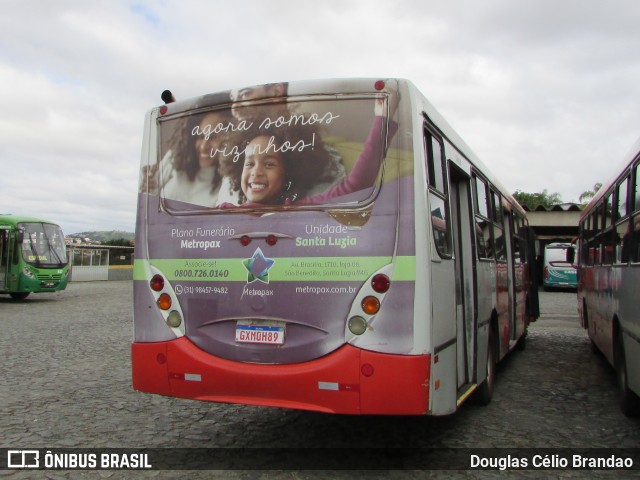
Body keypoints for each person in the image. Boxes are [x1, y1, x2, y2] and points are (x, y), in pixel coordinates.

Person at [219, 94, 398, 208]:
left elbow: (354, 186)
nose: (256, 171)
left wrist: (383, 118)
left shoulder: (298, 210)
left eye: (269, 164)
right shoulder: (224, 213)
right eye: (249, 163)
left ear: (288, 173)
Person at [140, 109, 238, 207]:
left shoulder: (229, 184)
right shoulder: (174, 158)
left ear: (229, 140)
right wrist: (147, 186)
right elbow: (149, 201)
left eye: (214, 137)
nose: (204, 146)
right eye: (200, 135)